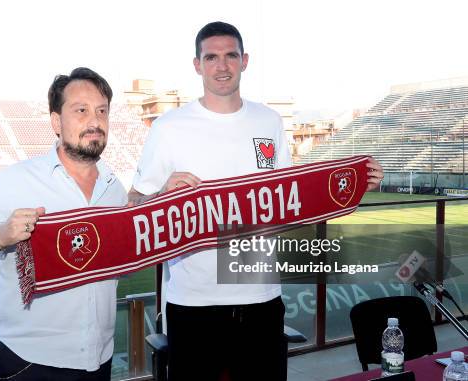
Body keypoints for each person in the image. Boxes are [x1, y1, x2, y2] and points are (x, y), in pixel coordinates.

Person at [128, 22, 384, 380]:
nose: (222, 66)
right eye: (211, 57)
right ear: (197, 65)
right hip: (195, 303)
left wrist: (353, 185)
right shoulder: (169, 127)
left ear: (244, 60)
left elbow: (292, 199)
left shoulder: (269, 120)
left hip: (262, 299)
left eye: (230, 55)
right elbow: (134, 206)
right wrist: (161, 195)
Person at [0, 67, 126, 381]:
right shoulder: (14, 182)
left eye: (101, 111)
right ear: (56, 122)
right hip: (30, 363)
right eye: (81, 111)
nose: (94, 121)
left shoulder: (115, 189)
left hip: (100, 359)